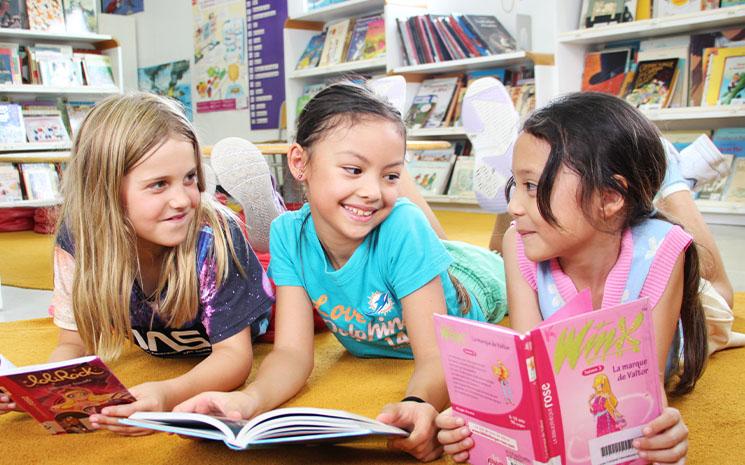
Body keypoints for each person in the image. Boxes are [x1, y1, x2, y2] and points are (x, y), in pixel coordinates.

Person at [174, 82, 507, 461]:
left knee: (501, 248)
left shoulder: (401, 226)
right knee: (401, 217)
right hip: (406, 255)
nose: (371, 191)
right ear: (299, 163)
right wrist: (249, 401)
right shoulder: (286, 234)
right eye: (353, 169)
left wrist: (418, 401)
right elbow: (292, 353)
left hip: (477, 280)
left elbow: (437, 355)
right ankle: (385, 138)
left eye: (390, 175)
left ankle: (508, 191)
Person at [436, 92, 744, 464]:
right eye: (515, 185)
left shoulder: (664, 253)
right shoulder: (518, 245)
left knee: (721, 300)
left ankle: (675, 181)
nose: (514, 206)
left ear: (609, 197)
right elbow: (531, 374)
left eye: (532, 186)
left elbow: (649, 392)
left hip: (681, 302)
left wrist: (664, 439)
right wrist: (478, 419)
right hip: (613, 226)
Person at [0, 93, 274, 435]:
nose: (182, 198)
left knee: (298, 290)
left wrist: (168, 393)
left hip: (252, 299)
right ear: (104, 192)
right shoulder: (79, 239)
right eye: (159, 184)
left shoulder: (215, 240)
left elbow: (234, 357)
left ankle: (272, 226)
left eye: (190, 178)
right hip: (175, 299)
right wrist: (38, 389)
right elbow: (72, 343)